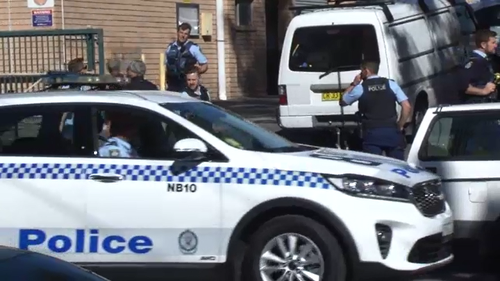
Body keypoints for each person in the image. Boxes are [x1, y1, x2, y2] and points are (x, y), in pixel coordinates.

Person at [339, 61, 411, 160]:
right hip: (392, 132)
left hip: (372, 134)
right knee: (398, 167)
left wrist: (354, 84)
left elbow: (343, 101)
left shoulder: (361, 88)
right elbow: (406, 106)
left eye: (361, 71)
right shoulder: (390, 84)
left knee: (374, 167)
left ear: (366, 70)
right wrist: (400, 125)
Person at [458, 29, 498, 104]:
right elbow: (463, 86)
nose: (496, 46)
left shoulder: (485, 60)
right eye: (493, 43)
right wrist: (483, 91)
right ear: (483, 45)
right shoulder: (475, 61)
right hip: (477, 105)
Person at [165, 23, 208, 91]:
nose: (183, 35)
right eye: (181, 33)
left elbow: (204, 65)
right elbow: (165, 65)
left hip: (186, 85)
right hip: (171, 84)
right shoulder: (170, 47)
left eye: (185, 34)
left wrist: (196, 73)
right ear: (177, 33)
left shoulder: (193, 48)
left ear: (188, 35)